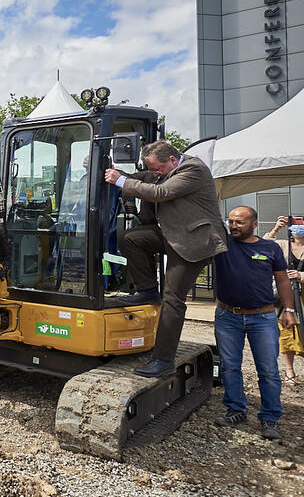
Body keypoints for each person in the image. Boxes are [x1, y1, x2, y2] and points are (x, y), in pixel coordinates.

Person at [104, 140, 228, 377]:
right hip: (171, 234)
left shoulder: (194, 170)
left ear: (172, 160)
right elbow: (139, 177)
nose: (155, 173)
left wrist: (120, 181)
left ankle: (162, 360)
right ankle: (148, 289)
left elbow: (161, 192)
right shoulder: (163, 170)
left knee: (172, 299)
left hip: (194, 242)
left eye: (158, 168)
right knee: (131, 238)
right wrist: (108, 170)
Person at [212, 206, 297, 440]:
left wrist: (288, 310)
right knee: (230, 366)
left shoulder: (269, 248)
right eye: (230, 222)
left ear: (254, 224)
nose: (233, 226)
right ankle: (236, 410)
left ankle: (270, 418)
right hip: (227, 316)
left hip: (263, 317)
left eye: (239, 222)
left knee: (268, 370)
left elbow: (282, 281)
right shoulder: (221, 245)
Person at [263, 216, 304, 385]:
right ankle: (289, 372)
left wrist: (301, 275)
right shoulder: (282, 244)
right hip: (286, 297)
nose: (298, 226)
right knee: (286, 334)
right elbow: (262, 245)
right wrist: (275, 229)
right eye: (295, 222)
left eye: (301, 222)